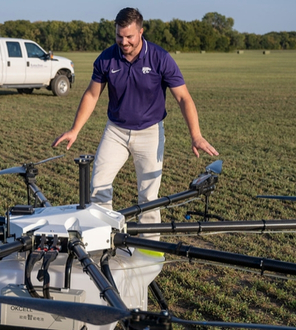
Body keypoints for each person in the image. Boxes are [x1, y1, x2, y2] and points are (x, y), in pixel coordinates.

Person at [52, 7, 218, 231]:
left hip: (150, 132)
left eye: (129, 36)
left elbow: (183, 98)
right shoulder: (106, 58)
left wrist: (196, 135)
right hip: (116, 131)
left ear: (141, 32)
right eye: (119, 36)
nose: (124, 41)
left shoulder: (160, 58)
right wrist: (75, 129)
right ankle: (103, 240)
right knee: (98, 187)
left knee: (149, 197)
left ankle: (148, 252)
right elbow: (92, 95)